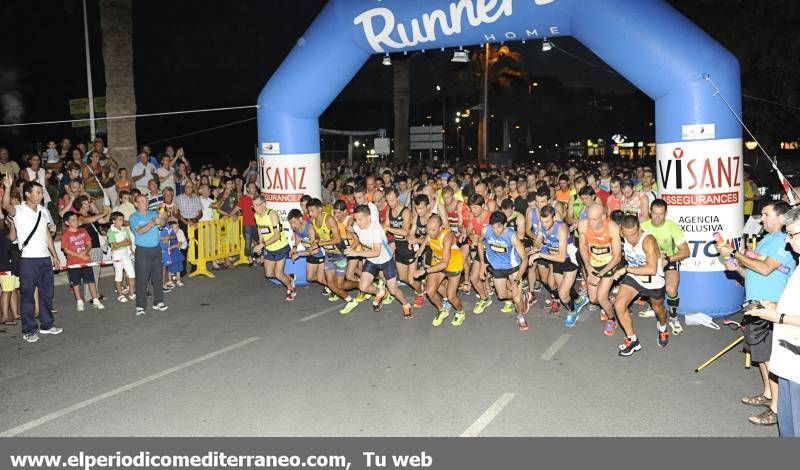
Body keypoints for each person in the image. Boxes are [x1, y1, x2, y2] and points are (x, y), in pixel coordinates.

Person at [718, 201, 795, 426]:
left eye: (766, 215)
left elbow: (764, 268)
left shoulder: (783, 241)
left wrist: (733, 252)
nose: (762, 219)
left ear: (782, 218)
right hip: (756, 304)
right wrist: (738, 267)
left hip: (771, 306)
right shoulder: (766, 240)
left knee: (770, 357)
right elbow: (753, 273)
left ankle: (776, 408)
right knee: (760, 355)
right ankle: (768, 394)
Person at [747, 206, 800, 437]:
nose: (788, 241)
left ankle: (773, 406)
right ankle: (771, 399)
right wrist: (775, 306)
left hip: (796, 356)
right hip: (788, 354)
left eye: (792, 234)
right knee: (787, 427)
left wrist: (777, 315)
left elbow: (766, 269)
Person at [2, 179, 62, 343]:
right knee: (28, 296)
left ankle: (47, 325)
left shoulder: (43, 211)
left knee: (47, 294)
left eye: (41, 192)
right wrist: (7, 188)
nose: (41, 195)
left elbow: (47, 234)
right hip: (28, 260)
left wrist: (55, 256)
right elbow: (6, 206)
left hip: (44, 259)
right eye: (37, 192)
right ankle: (29, 330)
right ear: (27, 194)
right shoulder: (19, 210)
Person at [611, 215, 669, 357]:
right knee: (619, 305)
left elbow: (651, 269)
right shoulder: (621, 233)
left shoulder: (648, 241)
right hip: (635, 277)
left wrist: (625, 269)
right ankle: (633, 341)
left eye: (634, 234)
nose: (630, 239)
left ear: (639, 228)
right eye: (627, 235)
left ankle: (663, 328)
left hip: (653, 280)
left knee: (659, 310)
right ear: (621, 231)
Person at [344, 204, 413, 318]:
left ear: (369, 217)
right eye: (356, 219)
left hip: (385, 261)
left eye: (360, 219)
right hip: (372, 261)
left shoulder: (376, 230)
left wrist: (356, 253)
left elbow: (376, 252)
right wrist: (349, 228)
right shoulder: (357, 226)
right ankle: (379, 292)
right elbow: (353, 226)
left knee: (393, 290)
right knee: (363, 286)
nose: (358, 222)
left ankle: (406, 305)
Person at [531, 205, 588, 327]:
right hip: (556, 260)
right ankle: (579, 299)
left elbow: (562, 257)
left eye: (547, 221)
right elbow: (538, 241)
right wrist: (533, 249)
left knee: (562, 294)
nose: (544, 224)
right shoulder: (543, 226)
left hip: (569, 261)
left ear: (553, 218)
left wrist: (540, 254)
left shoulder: (561, 229)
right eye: (542, 221)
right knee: (562, 288)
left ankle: (573, 312)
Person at [640, 199, 690, 335]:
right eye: (655, 213)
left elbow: (686, 251)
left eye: (661, 214)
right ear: (650, 212)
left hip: (669, 260)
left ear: (665, 213)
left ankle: (673, 318)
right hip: (651, 261)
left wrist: (667, 259)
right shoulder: (643, 226)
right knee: (646, 287)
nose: (657, 217)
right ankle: (654, 307)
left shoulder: (672, 227)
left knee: (671, 289)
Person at [477, 211, 531, 330]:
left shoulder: (512, 236)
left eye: (499, 227)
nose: (496, 230)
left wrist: (516, 282)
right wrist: (482, 264)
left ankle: (520, 317)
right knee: (501, 296)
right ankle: (523, 297)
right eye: (493, 227)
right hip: (497, 268)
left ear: (505, 225)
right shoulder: (486, 231)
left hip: (513, 268)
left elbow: (525, 260)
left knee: (516, 299)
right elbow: (479, 243)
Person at [577, 203, 623, 336]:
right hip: (592, 264)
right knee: (593, 299)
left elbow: (617, 257)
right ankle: (609, 300)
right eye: (589, 218)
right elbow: (583, 247)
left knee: (601, 298)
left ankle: (612, 319)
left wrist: (600, 274)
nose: (590, 222)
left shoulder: (612, 228)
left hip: (609, 264)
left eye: (594, 219)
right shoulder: (583, 225)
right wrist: (588, 267)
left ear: (603, 217)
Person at [413, 215, 466, 327]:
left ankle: (460, 312)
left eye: (433, 230)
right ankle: (442, 310)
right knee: (430, 291)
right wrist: (421, 249)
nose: (430, 232)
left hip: (452, 264)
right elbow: (427, 237)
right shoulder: (431, 231)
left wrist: (424, 271)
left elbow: (445, 263)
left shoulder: (447, 237)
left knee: (451, 295)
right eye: (428, 229)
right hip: (437, 262)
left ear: (441, 228)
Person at [129, 193, 169, 316]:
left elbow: (162, 224)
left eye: (146, 201)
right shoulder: (133, 217)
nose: (145, 203)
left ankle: (158, 301)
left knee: (158, 278)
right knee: (142, 279)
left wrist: (162, 218)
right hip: (142, 251)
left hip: (156, 249)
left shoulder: (153, 213)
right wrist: (151, 223)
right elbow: (140, 231)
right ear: (136, 204)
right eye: (141, 201)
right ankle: (140, 306)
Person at [252, 195, 295, 301]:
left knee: (278, 274)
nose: (254, 208)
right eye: (253, 206)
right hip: (269, 247)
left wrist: (262, 245)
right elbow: (260, 229)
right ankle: (289, 277)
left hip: (280, 247)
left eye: (256, 205)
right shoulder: (256, 215)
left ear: (263, 204)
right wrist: (260, 243)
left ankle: (291, 289)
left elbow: (277, 235)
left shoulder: (272, 214)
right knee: (269, 274)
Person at [60, 212, 104, 311]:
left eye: (76, 219)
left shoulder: (83, 230)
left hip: (86, 261)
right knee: (76, 283)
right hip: (73, 263)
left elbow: (89, 243)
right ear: (67, 223)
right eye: (73, 220)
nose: (76, 221)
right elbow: (66, 249)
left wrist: (85, 251)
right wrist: (79, 255)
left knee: (91, 280)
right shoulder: (66, 235)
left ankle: (95, 299)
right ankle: (79, 301)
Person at [107, 211, 136, 303]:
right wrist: (123, 243)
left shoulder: (125, 230)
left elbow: (129, 242)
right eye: (119, 219)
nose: (122, 221)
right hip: (117, 255)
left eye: (122, 219)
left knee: (131, 274)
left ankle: (132, 293)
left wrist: (121, 243)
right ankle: (120, 295)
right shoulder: (110, 231)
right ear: (113, 221)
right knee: (119, 275)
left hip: (126, 254)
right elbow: (114, 246)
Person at [0, 215, 20, 326]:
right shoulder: (2, 231)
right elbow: (12, 237)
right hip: (4, 266)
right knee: (6, 290)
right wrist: (12, 224)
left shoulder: (6, 229)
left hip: (12, 265)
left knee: (13, 289)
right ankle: (4, 316)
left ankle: (15, 313)